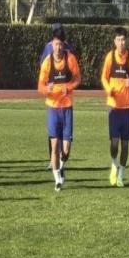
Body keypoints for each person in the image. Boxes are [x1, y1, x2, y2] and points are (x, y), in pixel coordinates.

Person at [38, 32, 81, 191]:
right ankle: (57, 179)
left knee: (66, 149)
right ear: (52, 45)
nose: (58, 47)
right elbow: (40, 86)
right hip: (52, 108)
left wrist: (69, 87)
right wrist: (46, 89)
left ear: (64, 45)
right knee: (54, 145)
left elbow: (77, 79)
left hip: (67, 108)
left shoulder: (70, 59)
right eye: (55, 44)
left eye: (60, 44)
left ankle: (62, 166)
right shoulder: (47, 62)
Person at [101, 27, 129, 187]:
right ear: (114, 41)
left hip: (127, 108)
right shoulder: (110, 57)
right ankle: (114, 164)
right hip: (113, 107)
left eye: (123, 39)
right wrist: (108, 89)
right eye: (118, 39)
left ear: (126, 41)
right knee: (114, 143)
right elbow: (103, 78)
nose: (121, 42)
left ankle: (121, 174)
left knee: (125, 144)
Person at [40, 24, 75, 169]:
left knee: (64, 141)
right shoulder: (48, 48)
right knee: (54, 136)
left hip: (66, 102)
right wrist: (46, 85)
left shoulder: (69, 50)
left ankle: (61, 160)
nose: (58, 47)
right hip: (53, 102)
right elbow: (43, 65)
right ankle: (53, 160)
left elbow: (74, 74)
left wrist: (69, 86)